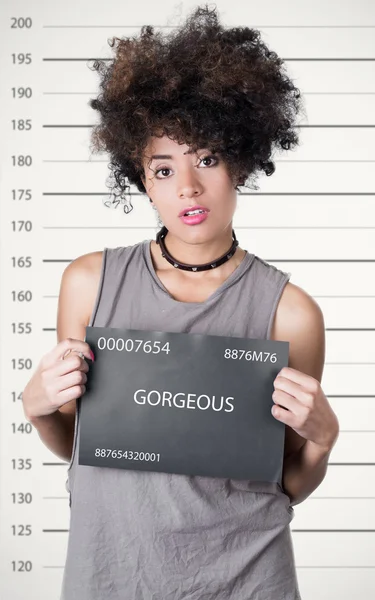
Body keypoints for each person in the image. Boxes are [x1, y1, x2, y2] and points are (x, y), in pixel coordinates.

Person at [22, 4, 339, 599]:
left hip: (247, 578)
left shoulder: (291, 312)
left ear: (241, 159)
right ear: (140, 177)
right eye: (163, 168)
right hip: (112, 574)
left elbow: (287, 483)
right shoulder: (89, 282)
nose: (188, 187)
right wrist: (38, 406)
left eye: (208, 159)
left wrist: (322, 439)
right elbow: (81, 447)